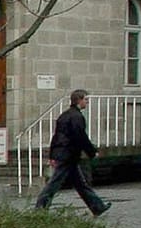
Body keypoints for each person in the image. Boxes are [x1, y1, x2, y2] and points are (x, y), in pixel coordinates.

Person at [34, 89, 110, 217]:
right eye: (86, 100)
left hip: (65, 154)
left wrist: (52, 154)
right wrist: (92, 152)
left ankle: (97, 207)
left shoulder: (64, 115)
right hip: (68, 155)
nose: (87, 102)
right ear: (79, 100)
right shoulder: (77, 117)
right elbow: (80, 137)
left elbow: (56, 136)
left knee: (81, 184)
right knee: (54, 183)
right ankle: (40, 208)